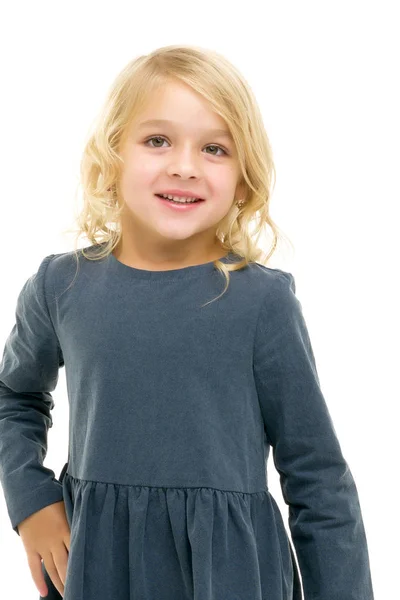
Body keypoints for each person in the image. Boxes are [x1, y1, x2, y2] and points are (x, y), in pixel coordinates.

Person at [0, 44, 374, 600]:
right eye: (157, 140)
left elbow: (318, 478)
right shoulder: (63, 287)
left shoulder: (262, 304)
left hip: (229, 577)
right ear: (110, 159)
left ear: (244, 180)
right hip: (97, 569)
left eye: (215, 149)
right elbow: (13, 398)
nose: (184, 165)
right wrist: (32, 501)